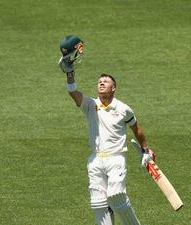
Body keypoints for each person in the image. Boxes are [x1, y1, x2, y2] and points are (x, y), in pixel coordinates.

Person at [59, 35, 154, 225]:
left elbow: (137, 128)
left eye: (106, 81)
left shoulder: (123, 108)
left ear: (114, 88)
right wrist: (70, 75)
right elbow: (73, 93)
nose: (101, 83)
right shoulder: (90, 105)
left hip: (116, 157)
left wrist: (146, 149)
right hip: (95, 159)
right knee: (98, 203)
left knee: (116, 195)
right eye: (99, 81)